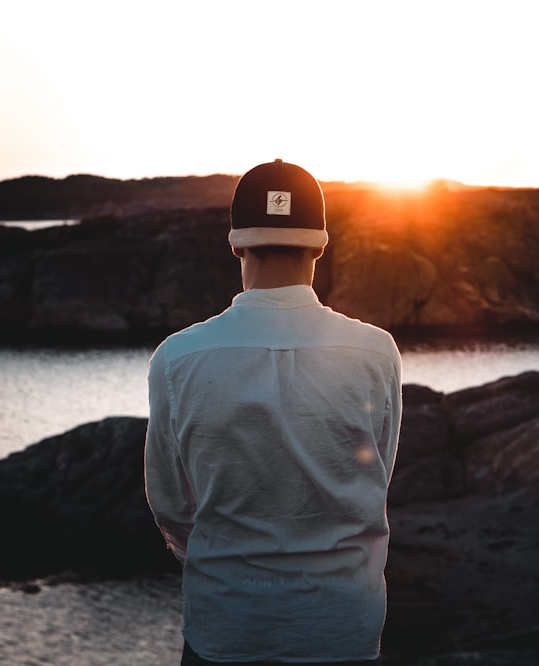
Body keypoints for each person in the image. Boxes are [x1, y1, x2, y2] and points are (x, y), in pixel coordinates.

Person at [145, 159, 402, 665]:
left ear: (237, 244)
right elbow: (377, 475)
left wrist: (223, 558)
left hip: (227, 627)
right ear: (319, 245)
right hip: (340, 627)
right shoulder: (377, 352)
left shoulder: (177, 357)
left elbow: (171, 505)